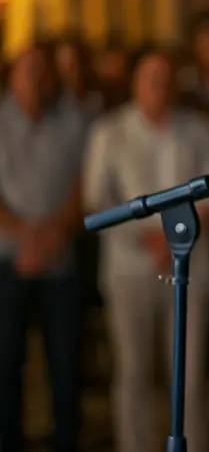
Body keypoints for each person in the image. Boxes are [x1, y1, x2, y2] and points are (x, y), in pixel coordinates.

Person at [84, 46, 209, 452]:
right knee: (133, 373)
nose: (159, 87)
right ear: (134, 82)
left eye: (166, 78)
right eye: (151, 77)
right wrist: (145, 236)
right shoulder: (108, 132)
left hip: (192, 264)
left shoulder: (198, 128)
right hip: (130, 268)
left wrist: (181, 232)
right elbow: (98, 200)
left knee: (190, 375)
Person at [0, 43, 88, 452]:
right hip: (8, 259)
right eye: (27, 69)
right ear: (12, 75)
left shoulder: (74, 121)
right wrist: (25, 235)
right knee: (6, 363)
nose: (35, 77)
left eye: (42, 69)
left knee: (66, 363)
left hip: (61, 258)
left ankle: (67, 440)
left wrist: (54, 232)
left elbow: (84, 181)